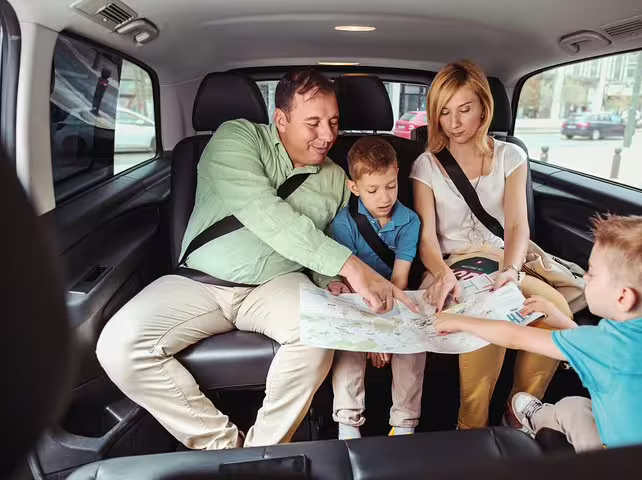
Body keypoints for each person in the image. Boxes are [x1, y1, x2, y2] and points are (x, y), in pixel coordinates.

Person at [96, 69, 417, 450]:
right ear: (280, 120)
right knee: (117, 345)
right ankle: (227, 450)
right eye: (312, 123)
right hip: (201, 280)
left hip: (277, 285)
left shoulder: (335, 176)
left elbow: (320, 241)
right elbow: (261, 209)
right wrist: (350, 266)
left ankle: (261, 452)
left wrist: (330, 281)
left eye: (333, 122)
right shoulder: (236, 137)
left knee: (317, 337)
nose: (328, 135)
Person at [436, 215, 642, 451]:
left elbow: (515, 336)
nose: (585, 277)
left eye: (592, 273)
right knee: (575, 407)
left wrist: (460, 321)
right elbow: (596, 350)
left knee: (573, 411)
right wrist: (561, 320)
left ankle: (533, 422)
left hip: (629, 467)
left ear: (624, 298)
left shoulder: (605, 345)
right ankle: (533, 418)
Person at [410, 59, 571, 429]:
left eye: (464, 109)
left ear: (484, 106)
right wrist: (443, 274)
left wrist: (512, 272)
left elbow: (517, 225)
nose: (454, 122)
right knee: (484, 315)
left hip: (503, 259)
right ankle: (471, 426)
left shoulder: (511, 156)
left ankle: (521, 413)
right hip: (452, 263)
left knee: (553, 308)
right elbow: (427, 240)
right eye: (445, 112)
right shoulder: (426, 164)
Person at [328, 137, 424, 439]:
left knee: (411, 339)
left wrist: (385, 333)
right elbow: (350, 281)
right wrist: (372, 336)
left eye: (391, 186)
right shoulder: (344, 224)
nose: (384, 197)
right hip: (358, 299)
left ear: (397, 173)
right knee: (349, 341)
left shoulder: (409, 221)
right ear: (354, 187)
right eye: (373, 190)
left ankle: (405, 424)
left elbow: (400, 280)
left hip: (394, 299)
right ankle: (348, 423)